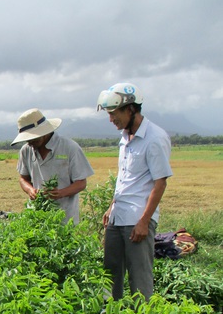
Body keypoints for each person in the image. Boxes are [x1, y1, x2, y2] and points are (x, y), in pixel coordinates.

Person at [97, 82, 173, 301]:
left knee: (139, 275)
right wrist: (111, 206)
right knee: (111, 271)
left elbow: (160, 183)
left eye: (114, 114)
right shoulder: (125, 137)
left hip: (137, 218)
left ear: (130, 109)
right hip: (118, 216)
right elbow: (124, 178)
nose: (111, 119)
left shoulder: (154, 138)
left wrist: (144, 221)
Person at [12, 108, 94, 225]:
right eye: (27, 139)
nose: (29, 143)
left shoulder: (70, 148)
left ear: (43, 132)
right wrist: (30, 190)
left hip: (65, 219)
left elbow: (81, 183)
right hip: (36, 216)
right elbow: (23, 178)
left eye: (32, 138)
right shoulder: (26, 150)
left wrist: (60, 193)